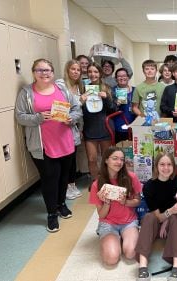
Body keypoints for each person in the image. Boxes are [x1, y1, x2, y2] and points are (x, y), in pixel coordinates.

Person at [15, 58, 82, 232]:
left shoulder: (62, 89)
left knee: (63, 177)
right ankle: (52, 213)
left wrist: (71, 118)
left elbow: (77, 109)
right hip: (43, 145)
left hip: (65, 141)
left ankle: (61, 204)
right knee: (50, 178)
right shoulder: (27, 93)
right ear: (33, 72)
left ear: (52, 73)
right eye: (40, 70)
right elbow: (20, 116)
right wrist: (37, 118)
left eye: (47, 70)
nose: (44, 73)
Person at [135, 152, 177, 281]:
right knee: (148, 217)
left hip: (173, 222)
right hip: (157, 221)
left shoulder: (176, 181)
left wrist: (167, 220)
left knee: (176, 218)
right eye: (162, 164)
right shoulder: (149, 186)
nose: (166, 168)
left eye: (169, 164)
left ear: (173, 167)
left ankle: (176, 268)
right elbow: (157, 217)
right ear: (156, 166)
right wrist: (169, 213)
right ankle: (142, 268)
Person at [89, 147, 141, 266]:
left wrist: (125, 202)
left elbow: (137, 201)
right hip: (108, 223)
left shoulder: (131, 177)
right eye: (115, 158)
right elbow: (101, 215)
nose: (119, 162)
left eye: (122, 159)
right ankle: (111, 238)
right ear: (106, 160)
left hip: (129, 222)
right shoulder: (97, 185)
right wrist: (107, 202)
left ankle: (124, 237)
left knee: (131, 253)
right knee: (111, 259)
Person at [80, 62, 116, 182]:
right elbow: (79, 111)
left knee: (107, 158)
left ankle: (108, 181)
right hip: (90, 128)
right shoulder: (83, 89)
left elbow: (113, 109)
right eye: (90, 72)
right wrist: (81, 101)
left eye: (95, 72)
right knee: (92, 159)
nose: (92, 74)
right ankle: (95, 183)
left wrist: (106, 98)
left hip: (104, 127)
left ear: (100, 73)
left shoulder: (106, 88)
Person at [56, 59, 84, 200]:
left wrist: (80, 127)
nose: (76, 72)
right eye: (73, 69)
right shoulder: (60, 85)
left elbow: (78, 111)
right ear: (67, 70)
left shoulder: (79, 86)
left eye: (78, 70)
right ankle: (65, 187)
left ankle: (72, 184)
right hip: (61, 127)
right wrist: (81, 100)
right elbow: (63, 106)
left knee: (73, 159)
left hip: (74, 126)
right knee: (65, 159)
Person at [111, 67, 136, 143]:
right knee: (121, 150)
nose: (122, 78)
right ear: (116, 79)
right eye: (119, 76)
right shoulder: (111, 91)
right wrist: (116, 105)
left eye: (124, 76)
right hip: (118, 127)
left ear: (128, 77)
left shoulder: (135, 90)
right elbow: (108, 109)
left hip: (134, 126)